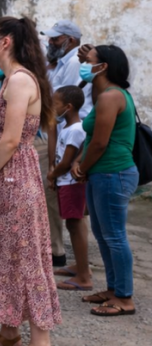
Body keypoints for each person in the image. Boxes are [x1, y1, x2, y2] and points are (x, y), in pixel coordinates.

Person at [0, 16, 61, 346]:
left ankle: (41, 339)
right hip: (6, 178)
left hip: (14, 179)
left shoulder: (21, 81)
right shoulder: (10, 79)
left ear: (6, 42)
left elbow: (11, 140)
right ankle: (8, 333)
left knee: (25, 260)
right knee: (4, 255)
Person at [72, 45, 138, 317]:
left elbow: (99, 142)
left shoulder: (112, 97)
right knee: (104, 235)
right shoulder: (107, 94)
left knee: (114, 236)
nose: (84, 64)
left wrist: (82, 167)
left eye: (88, 61)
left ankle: (124, 298)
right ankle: (113, 290)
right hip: (105, 173)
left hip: (112, 172)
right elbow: (93, 97)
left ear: (104, 66)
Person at [41, 20, 90, 268]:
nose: (50, 42)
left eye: (55, 38)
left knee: (72, 213)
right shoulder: (61, 63)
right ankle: (73, 262)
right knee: (72, 214)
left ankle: (68, 260)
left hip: (68, 139)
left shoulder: (73, 64)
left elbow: (60, 102)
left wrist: (54, 167)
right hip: (63, 137)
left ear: (70, 40)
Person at [47, 86, 91, 292]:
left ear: (68, 107)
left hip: (71, 184)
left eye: (56, 104)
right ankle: (81, 267)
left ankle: (84, 276)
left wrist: (52, 175)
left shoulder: (75, 130)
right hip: (66, 183)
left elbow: (66, 162)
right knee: (74, 225)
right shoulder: (67, 128)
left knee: (75, 225)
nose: (52, 108)